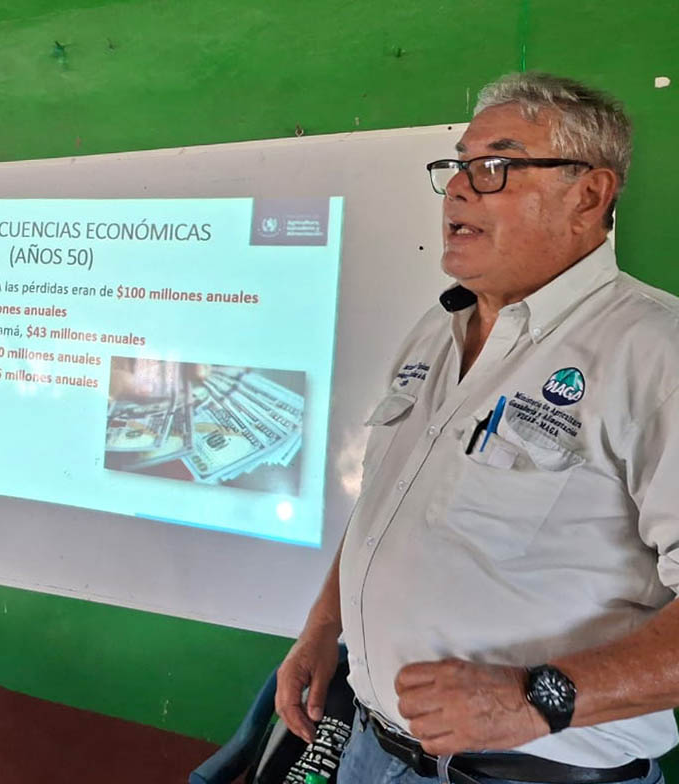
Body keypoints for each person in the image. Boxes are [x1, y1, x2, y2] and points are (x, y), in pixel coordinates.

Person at [275, 72, 679, 784]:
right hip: (372, 752)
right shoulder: (439, 329)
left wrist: (535, 699)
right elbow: (389, 506)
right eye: (458, 165)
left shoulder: (655, 353)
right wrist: (324, 627)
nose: (459, 188)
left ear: (589, 195)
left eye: (496, 165)